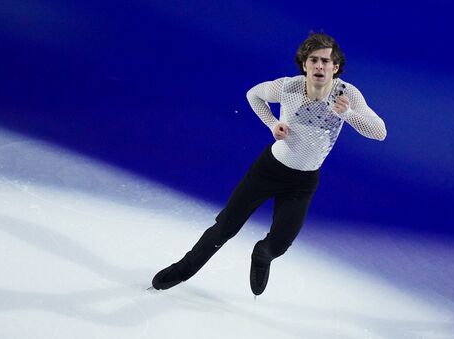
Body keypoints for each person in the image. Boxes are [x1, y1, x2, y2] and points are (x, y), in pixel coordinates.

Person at [151, 32, 387, 296]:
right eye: (313, 60)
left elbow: (380, 132)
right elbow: (253, 95)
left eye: (325, 60)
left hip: (303, 183)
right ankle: (183, 269)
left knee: (280, 244)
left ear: (336, 67)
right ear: (305, 64)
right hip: (269, 170)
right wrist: (273, 124)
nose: (319, 66)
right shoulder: (288, 87)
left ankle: (262, 255)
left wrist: (349, 114)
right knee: (225, 227)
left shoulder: (348, 94)